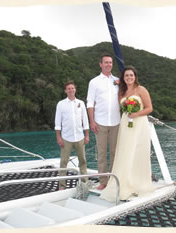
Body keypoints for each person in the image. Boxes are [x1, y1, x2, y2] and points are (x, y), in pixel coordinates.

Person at [100, 66, 154, 202]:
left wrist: (136, 113)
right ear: (123, 78)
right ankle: (124, 181)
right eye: (126, 76)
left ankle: (138, 183)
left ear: (135, 76)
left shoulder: (141, 90)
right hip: (126, 124)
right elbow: (119, 107)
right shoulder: (121, 91)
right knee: (125, 151)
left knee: (138, 152)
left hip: (140, 124)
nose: (129, 78)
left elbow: (149, 108)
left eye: (131, 75)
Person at [86, 54, 121, 190]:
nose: (108, 64)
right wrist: (92, 121)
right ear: (100, 64)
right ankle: (103, 181)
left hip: (116, 122)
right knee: (101, 153)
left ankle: (113, 180)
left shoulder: (118, 81)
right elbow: (90, 102)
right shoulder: (94, 82)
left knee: (114, 152)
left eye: (110, 62)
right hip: (100, 121)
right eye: (106, 62)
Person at [55, 81, 90, 190]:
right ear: (65, 91)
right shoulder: (61, 104)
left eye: (72, 88)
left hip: (80, 137)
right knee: (63, 162)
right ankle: (62, 185)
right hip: (66, 138)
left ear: (75, 90)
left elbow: (85, 120)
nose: (71, 90)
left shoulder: (81, 103)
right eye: (68, 89)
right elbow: (57, 123)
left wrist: (87, 135)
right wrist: (58, 137)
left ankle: (85, 182)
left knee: (83, 161)